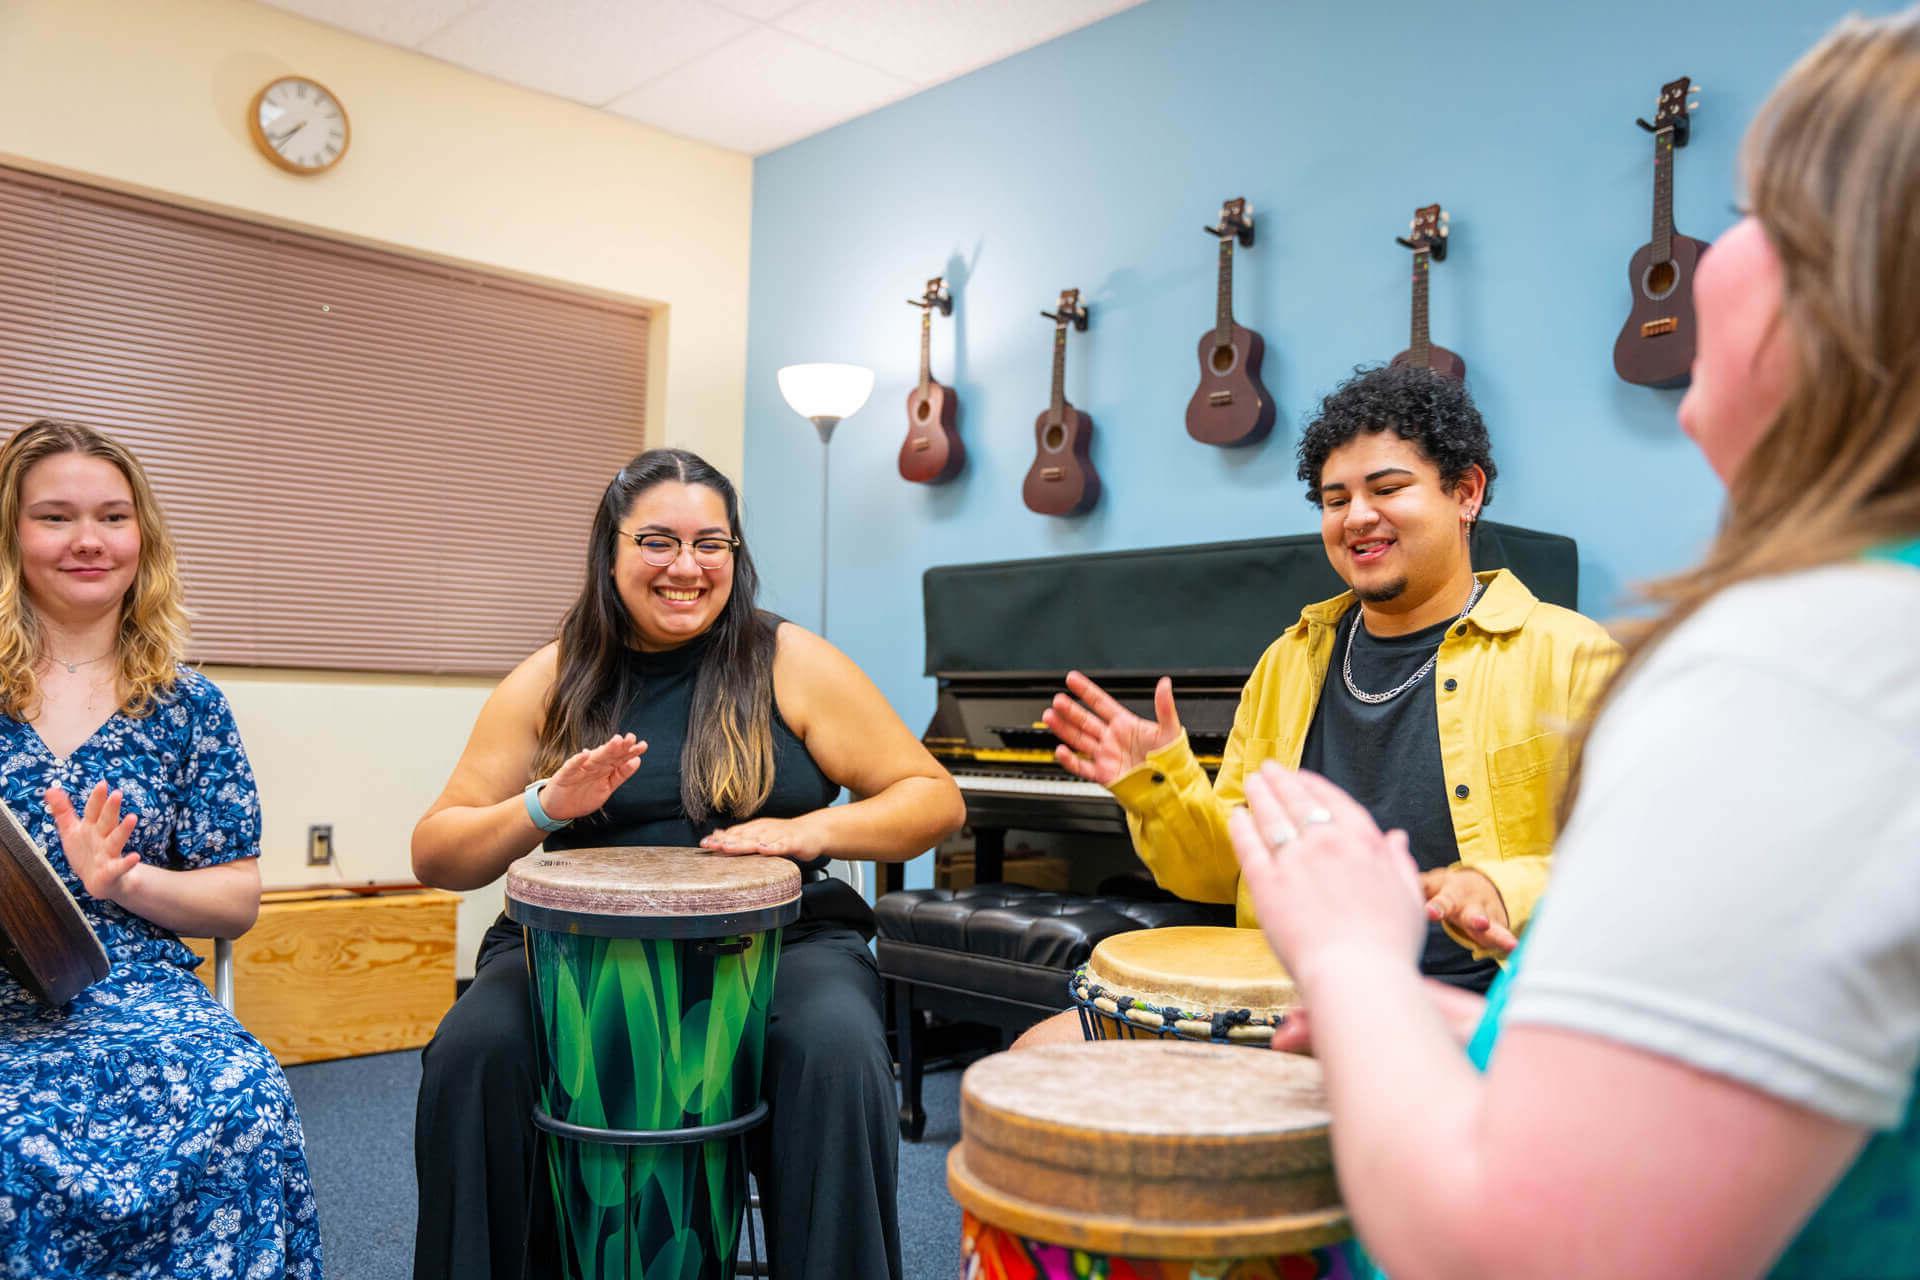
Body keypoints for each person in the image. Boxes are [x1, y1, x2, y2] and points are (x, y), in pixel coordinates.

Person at [1229, 11, 1920, 1278]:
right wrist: (1431, 1016)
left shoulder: (1813, 665)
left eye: (1758, 213)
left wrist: (1348, 950)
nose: (1715, 254)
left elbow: (1521, 1251)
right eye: (1331, 497)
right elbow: (1723, 1048)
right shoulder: (1854, 642)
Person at [410, 447, 964, 1280]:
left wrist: (808, 831)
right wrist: (541, 809)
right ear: (611, 551)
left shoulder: (790, 661)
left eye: (712, 544)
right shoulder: (554, 678)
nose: (686, 566)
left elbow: (932, 798)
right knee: (473, 1053)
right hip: (576, 950)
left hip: (781, 945)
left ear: (735, 555)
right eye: (658, 541)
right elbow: (436, 852)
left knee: (839, 1053)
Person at [1018, 367, 1619, 1047]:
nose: (1358, 516)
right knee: (1034, 1058)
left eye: (1388, 489)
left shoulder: (1572, 657)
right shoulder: (1289, 661)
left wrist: (1498, 884)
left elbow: (1637, 862)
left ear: (1467, 492)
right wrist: (1158, 787)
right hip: (1280, 1005)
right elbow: (1219, 876)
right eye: (1336, 500)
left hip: (1474, 1016)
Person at [0, 419, 322, 1279]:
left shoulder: (188, 706)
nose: (87, 541)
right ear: (11, 535)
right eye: (54, 517)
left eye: (112, 516)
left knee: (242, 1095)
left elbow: (238, 900)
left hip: (132, 983)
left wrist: (127, 881)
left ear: (142, 536)